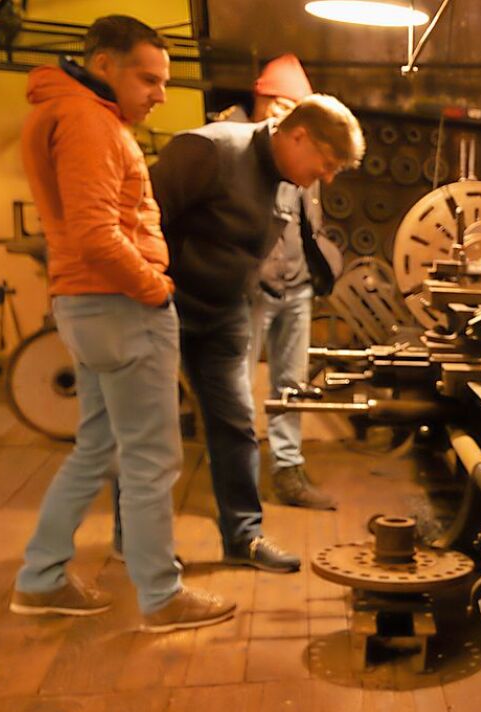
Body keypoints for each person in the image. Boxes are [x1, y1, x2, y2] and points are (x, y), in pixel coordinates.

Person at [12, 15, 235, 632]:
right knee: (152, 459)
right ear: (104, 64)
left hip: (88, 306)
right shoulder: (87, 121)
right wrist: (154, 288)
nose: (159, 94)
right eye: (149, 79)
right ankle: (162, 595)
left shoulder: (72, 113)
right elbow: (95, 233)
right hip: (120, 304)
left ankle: (41, 577)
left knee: (98, 448)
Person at [150, 94, 365, 572]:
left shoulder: (291, 179)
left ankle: (243, 537)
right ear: (298, 135)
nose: (326, 178)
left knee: (236, 424)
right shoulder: (209, 151)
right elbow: (141, 218)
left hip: (224, 312)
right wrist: (151, 287)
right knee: (151, 433)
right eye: (326, 164)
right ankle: (138, 543)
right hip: (163, 309)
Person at [219, 54, 340, 510]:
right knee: (235, 383)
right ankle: (236, 479)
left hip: (297, 284)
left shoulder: (302, 147)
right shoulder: (231, 145)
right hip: (248, 288)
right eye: (291, 107)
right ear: (268, 102)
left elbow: (309, 217)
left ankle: (288, 472)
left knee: (291, 383)